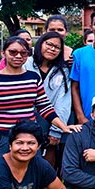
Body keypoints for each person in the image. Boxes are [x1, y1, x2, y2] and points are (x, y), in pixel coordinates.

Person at [0, 36, 73, 159]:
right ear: (3, 53)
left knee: (31, 175)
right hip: (3, 138)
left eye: (23, 53)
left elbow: (44, 107)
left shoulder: (33, 78)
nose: (18, 56)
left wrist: (62, 127)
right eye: (13, 52)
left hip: (29, 137)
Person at [28, 31, 71, 170]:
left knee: (46, 168)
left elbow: (63, 101)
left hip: (50, 122)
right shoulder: (26, 63)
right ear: (41, 43)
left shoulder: (62, 71)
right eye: (49, 44)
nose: (52, 49)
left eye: (57, 47)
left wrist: (56, 130)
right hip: (24, 122)